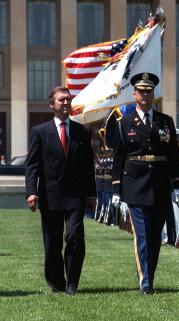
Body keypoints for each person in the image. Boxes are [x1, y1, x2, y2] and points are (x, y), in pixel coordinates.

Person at [111, 72, 179, 295]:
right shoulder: (125, 122)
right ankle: (146, 282)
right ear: (134, 94)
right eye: (141, 91)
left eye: (149, 91)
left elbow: (173, 155)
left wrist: (177, 183)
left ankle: (149, 274)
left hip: (160, 183)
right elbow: (119, 157)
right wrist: (116, 188)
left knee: (154, 235)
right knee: (142, 234)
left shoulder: (165, 121)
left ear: (154, 94)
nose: (145, 95)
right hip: (135, 184)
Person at [25, 86, 96, 295]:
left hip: (75, 195)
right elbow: (32, 165)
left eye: (68, 99)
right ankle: (56, 282)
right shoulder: (39, 132)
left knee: (74, 237)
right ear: (51, 105)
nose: (66, 103)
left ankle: (72, 282)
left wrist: (91, 194)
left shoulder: (82, 131)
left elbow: (87, 166)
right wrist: (31, 191)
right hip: (50, 194)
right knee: (52, 243)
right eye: (61, 100)